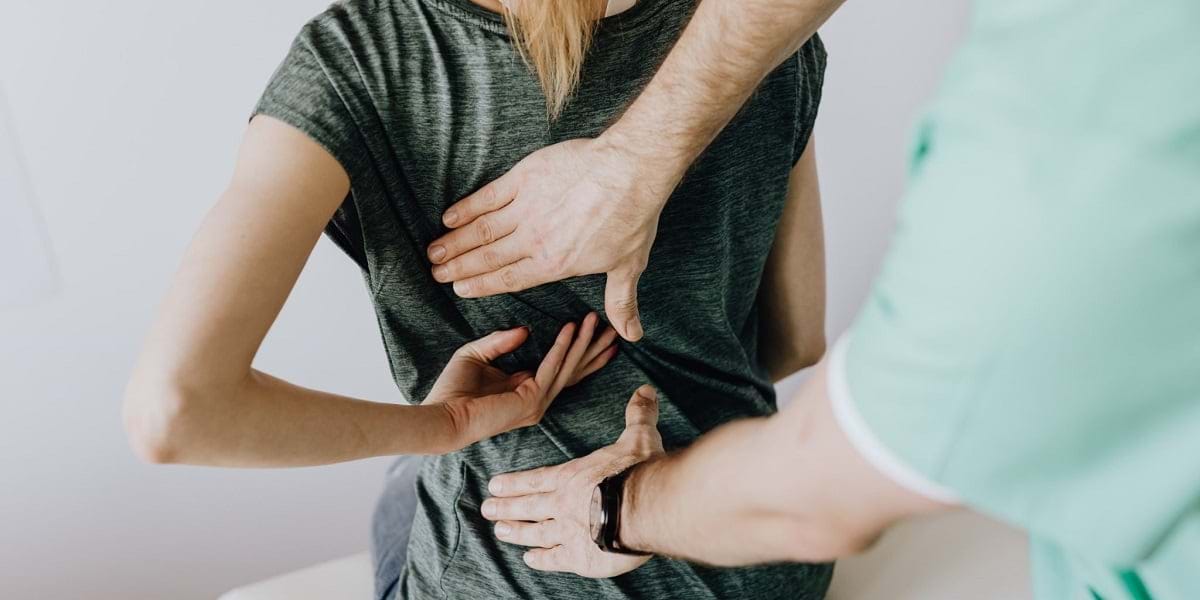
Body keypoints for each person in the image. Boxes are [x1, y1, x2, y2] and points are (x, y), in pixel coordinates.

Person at [438, 0, 1200, 598]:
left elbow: (831, 486)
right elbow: (796, 341)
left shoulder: (1073, 141)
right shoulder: (778, 56)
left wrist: (613, 507)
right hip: (769, 574)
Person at [122, 0, 834, 598]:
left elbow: (178, 412)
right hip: (756, 559)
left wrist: (447, 424)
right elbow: (796, 342)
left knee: (404, 480)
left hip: (514, 579)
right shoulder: (751, 30)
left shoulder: (360, 56)